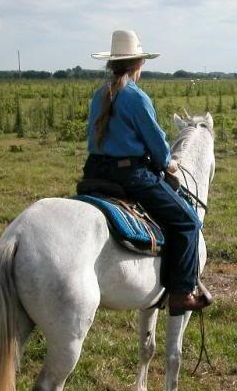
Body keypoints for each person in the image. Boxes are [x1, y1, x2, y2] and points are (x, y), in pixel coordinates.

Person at [84, 30, 212, 313]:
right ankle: (181, 293)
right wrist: (168, 163)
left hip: (95, 172)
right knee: (187, 222)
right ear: (138, 64)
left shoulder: (99, 95)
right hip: (129, 175)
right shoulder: (135, 97)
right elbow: (157, 144)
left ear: (112, 64)